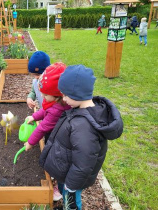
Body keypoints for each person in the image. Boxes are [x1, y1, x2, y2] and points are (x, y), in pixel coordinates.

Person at [39, 65, 123, 210]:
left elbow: (83, 164)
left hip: (73, 180)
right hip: (66, 171)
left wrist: (71, 185)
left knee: (72, 200)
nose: (63, 99)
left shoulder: (84, 127)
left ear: (77, 94)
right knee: (67, 196)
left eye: (65, 95)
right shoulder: (78, 110)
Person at [24, 62, 71, 202]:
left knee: (58, 162)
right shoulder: (55, 101)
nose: (43, 97)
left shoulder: (57, 110)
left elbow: (43, 127)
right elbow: (45, 110)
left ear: (57, 95)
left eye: (45, 95)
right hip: (57, 133)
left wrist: (31, 142)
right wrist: (34, 116)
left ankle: (59, 186)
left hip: (62, 139)